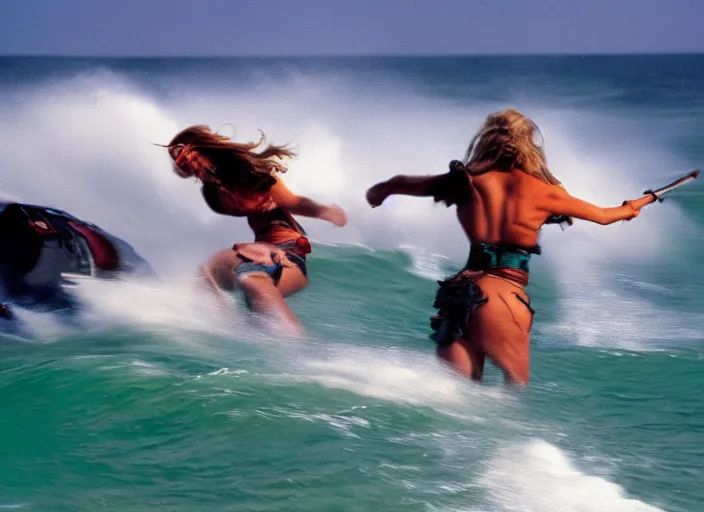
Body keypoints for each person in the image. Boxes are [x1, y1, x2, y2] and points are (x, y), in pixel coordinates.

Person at [365, 109, 656, 385]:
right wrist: (634, 206)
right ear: (528, 145)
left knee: (457, 402)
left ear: (488, 140)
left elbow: (400, 182)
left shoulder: (467, 182)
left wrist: (380, 192)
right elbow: (605, 216)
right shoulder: (545, 193)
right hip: (505, 298)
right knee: (511, 402)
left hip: (459, 298)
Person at [166, 125, 347, 333]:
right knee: (207, 275)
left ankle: (301, 350)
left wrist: (324, 211)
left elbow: (293, 202)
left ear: (198, 147)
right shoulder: (215, 196)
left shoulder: (252, 174)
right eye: (183, 168)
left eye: (186, 159)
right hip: (265, 247)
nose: (189, 168)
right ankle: (228, 331)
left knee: (249, 278)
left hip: (289, 249)